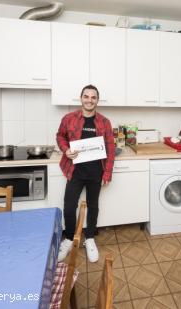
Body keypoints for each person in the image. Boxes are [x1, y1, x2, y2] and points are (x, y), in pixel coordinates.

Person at [56, 85, 115, 263]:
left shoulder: (104, 122)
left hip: (96, 171)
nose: (89, 100)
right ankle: (69, 239)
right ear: (80, 98)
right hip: (75, 170)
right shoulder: (69, 118)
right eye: (86, 96)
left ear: (97, 100)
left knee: (93, 206)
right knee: (69, 206)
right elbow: (60, 136)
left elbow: (111, 148)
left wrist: (107, 173)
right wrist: (66, 150)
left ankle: (89, 238)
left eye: (93, 97)